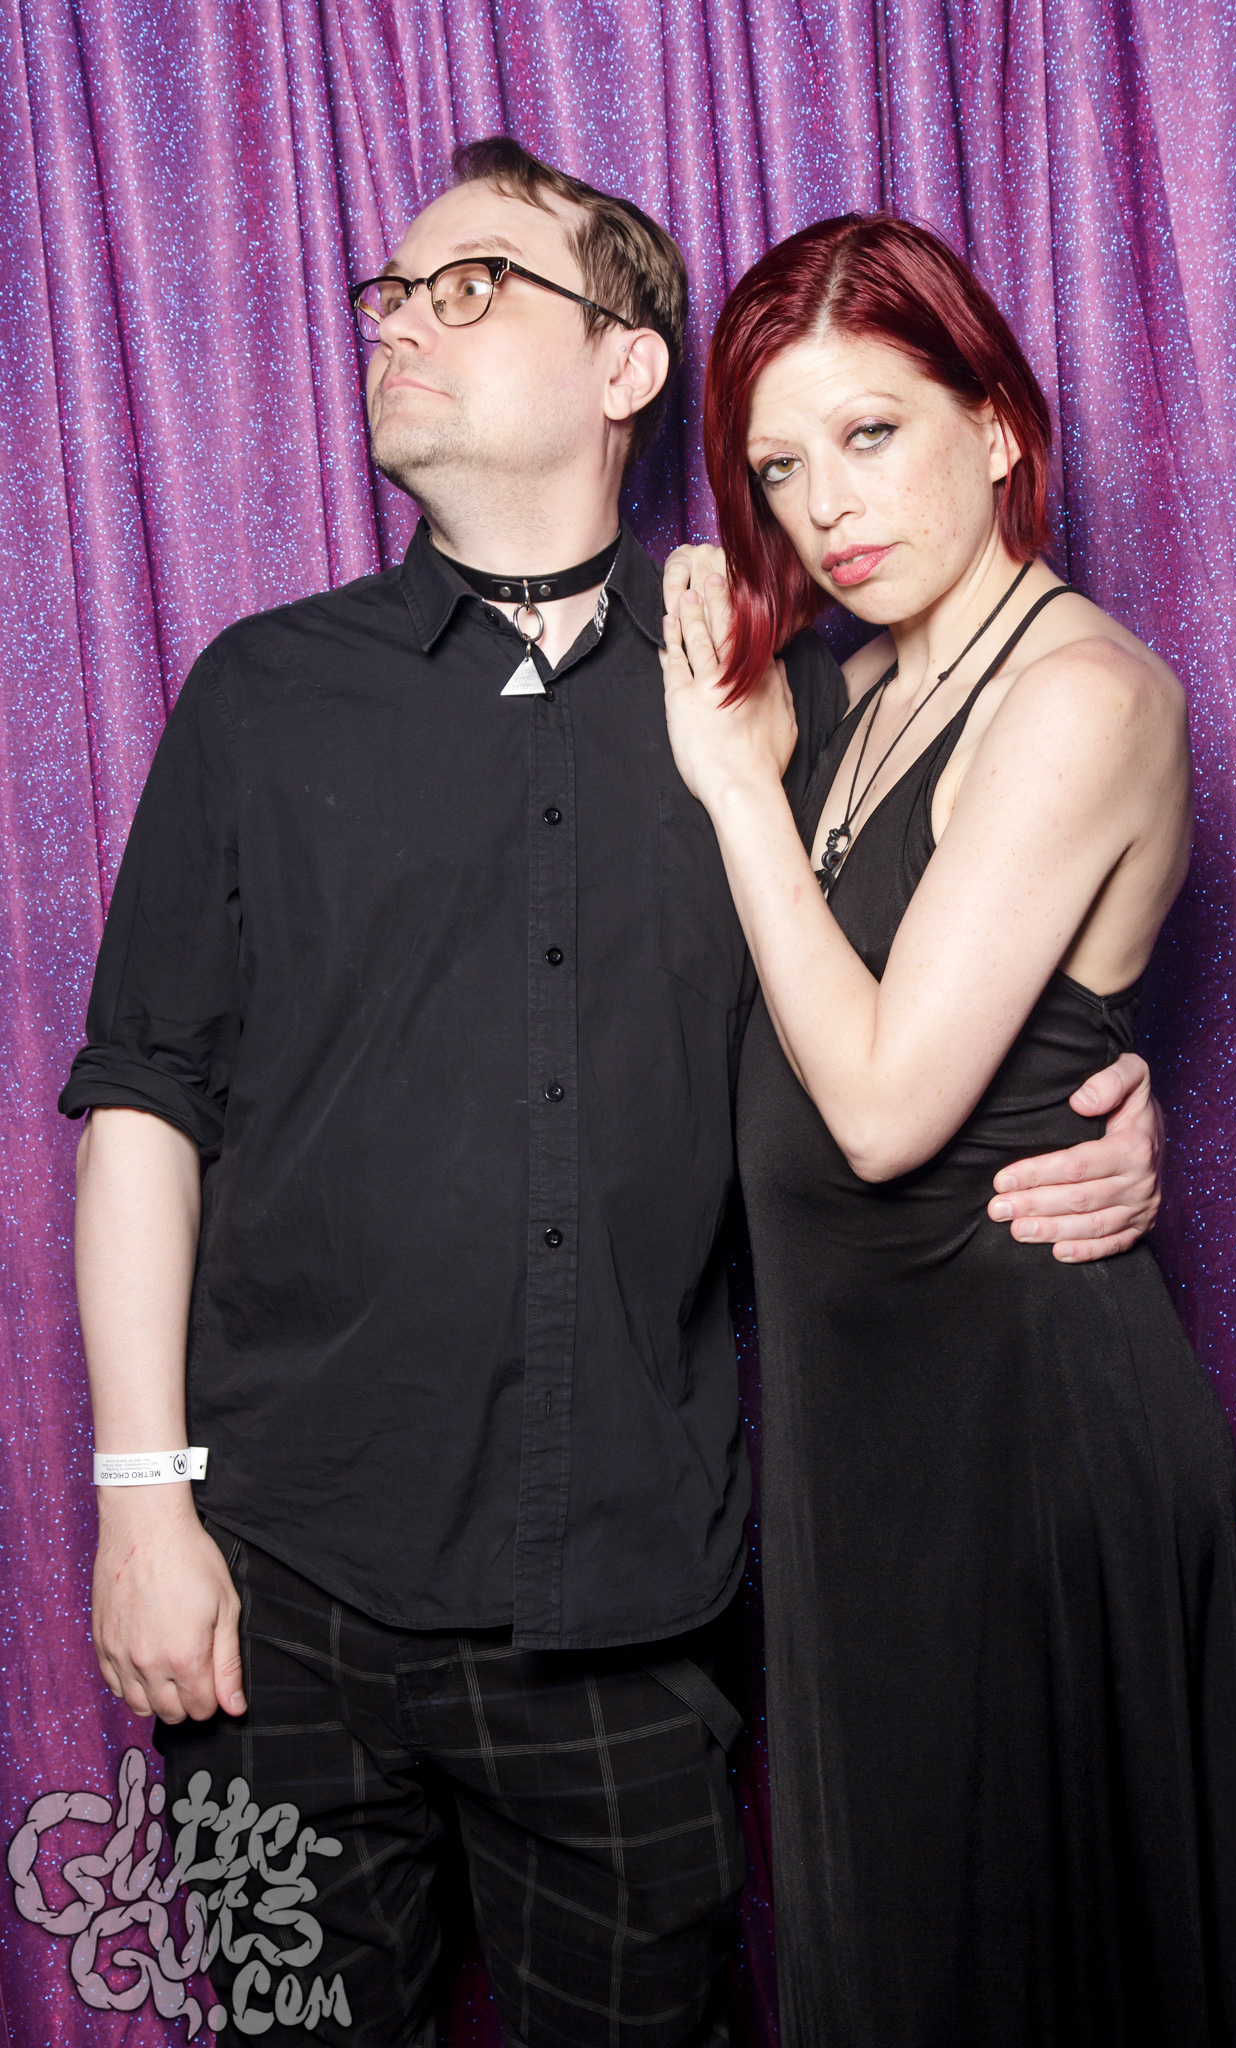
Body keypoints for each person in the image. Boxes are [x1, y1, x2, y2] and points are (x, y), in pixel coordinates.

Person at [59, 145, 1162, 2048]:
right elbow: (147, 1102)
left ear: (626, 364)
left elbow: (918, 1030)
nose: (399, 324)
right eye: (387, 295)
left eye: (468, 285)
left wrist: (1097, 1115)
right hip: (274, 1597)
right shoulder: (258, 693)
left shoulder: (788, 712)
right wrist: (142, 1504)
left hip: (629, 1607)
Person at [660, 214, 1236, 2048]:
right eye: (779, 469)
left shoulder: (1079, 695)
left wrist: (734, 795)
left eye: (870, 434)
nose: (826, 508)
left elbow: (878, 1113)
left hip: (1025, 1443)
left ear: (998, 422)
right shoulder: (855, 686)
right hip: (867, 1445)